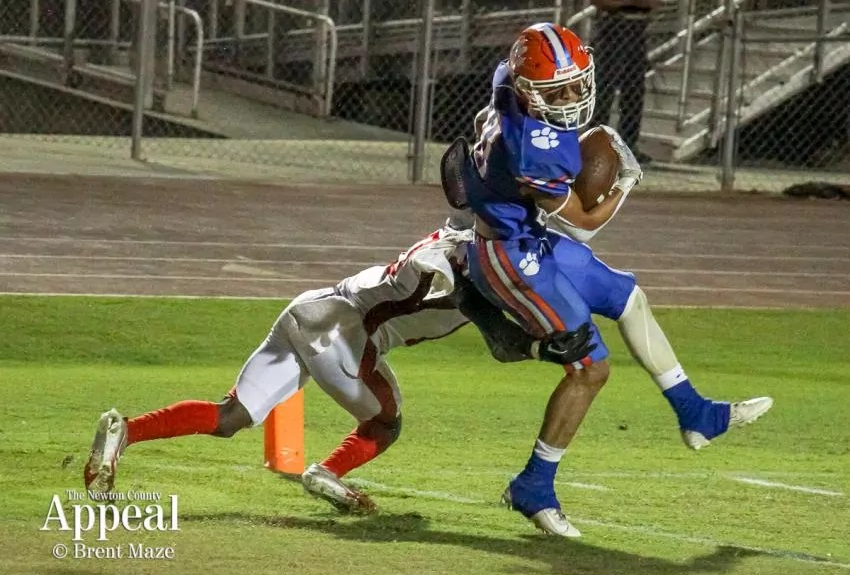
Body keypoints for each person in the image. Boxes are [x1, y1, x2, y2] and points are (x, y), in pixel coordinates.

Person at [462, 22, 773, 538]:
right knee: (590, 369)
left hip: (527, 236)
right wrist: (625, 181)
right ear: (527, 90)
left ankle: (695, 412)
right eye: (555, 92)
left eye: (573, 85)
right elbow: (584, 224)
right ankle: (534, 485)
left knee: (629, 297)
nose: (569, 99)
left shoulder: (507, 83)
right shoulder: (534, 148)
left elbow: (498, 94)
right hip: (510, 257)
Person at [82, 215, 595, 513]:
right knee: (386, 424)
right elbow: (489, 324)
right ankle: (326, 471)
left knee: (231, 416)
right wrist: (542, 343)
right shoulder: (455, 260)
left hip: (308, 308)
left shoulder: (458, 250)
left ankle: (125, 431)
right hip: (344, 335)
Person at [589, 0, 662, 165]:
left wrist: (647, 2)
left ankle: (628, 144)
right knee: (605, 87)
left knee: (634, 89)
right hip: (614, 28)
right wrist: (630, 1)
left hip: (637, 28)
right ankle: (596, 144)